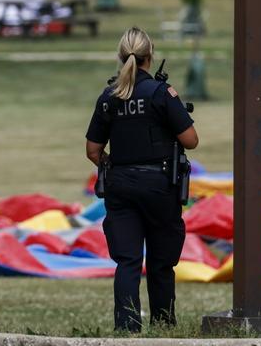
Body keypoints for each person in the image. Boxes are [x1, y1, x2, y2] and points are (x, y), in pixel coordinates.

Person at [84, 27, 198, 332]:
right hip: (160, 186)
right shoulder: (161, 93)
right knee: (161, 262)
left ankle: (127, 327)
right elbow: (190, 140)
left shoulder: (109, 96)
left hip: (120, 186)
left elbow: (93, 150)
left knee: (128, 261)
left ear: (122, 57)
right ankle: (163, 324)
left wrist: (115, 165)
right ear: (150, 56)